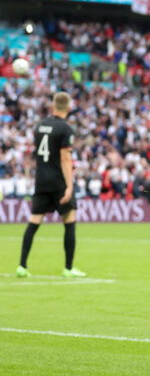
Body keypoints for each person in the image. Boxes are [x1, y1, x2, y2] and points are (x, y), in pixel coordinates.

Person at [16, 92, 85, 278]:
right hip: (58, 181)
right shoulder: (65, 129)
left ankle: (22, 266)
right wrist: (69, 186)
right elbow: (65, 158)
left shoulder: (40, 126)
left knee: (34, 222)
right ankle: (68, 268)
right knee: (69, 221)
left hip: (41, 180)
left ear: (53, 105)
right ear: (68, 107)